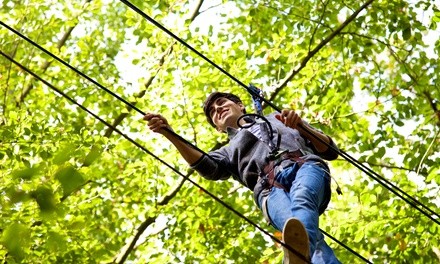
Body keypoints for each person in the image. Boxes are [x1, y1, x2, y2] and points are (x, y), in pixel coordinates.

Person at [144, 92, 341, 264]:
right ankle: (302, 255)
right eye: (212, 112)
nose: (217, 108)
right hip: (270, 189)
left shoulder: (278, 118)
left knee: (303, 198)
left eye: (221, 102)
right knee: (296, 230)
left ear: (240, 105)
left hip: (304, 165)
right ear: (218, 128)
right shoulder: (227, 152)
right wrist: (169, 134)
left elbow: (330, 150)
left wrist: (300, 126)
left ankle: (299, 253)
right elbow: (207, 167)